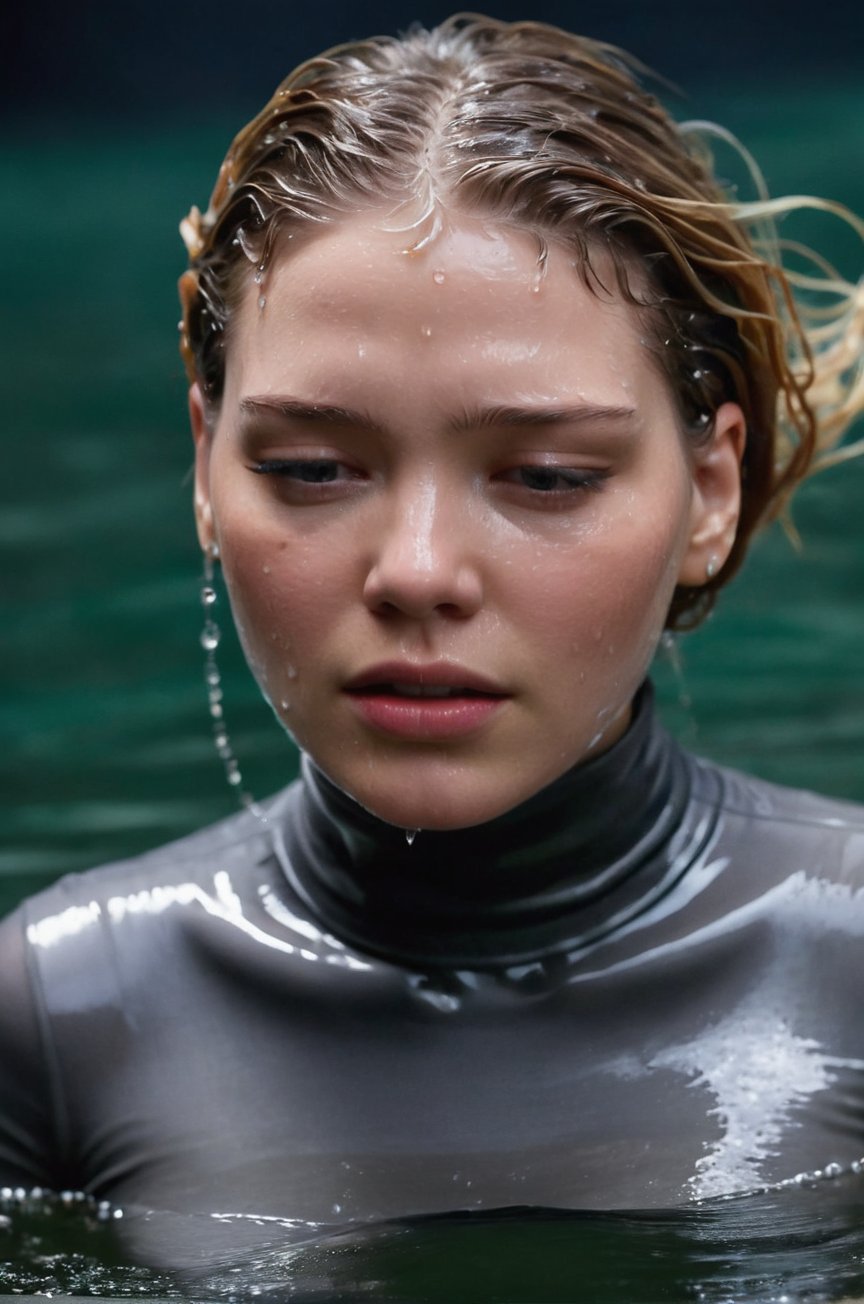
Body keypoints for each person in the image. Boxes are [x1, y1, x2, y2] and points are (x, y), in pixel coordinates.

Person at [1, 9, 863, 1262]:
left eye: (550, 476)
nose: (416, 573)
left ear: (709, 493)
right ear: (204, 463)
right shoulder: (61, 1018)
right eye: (309, 468)